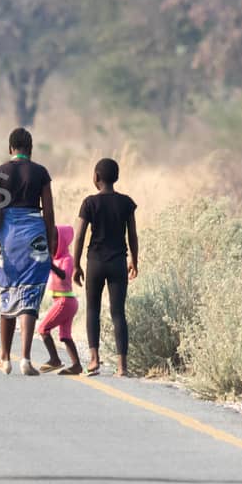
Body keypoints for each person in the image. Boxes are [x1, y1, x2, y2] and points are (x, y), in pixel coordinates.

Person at [0, 127, 56, 376]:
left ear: (10, 149)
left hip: (9, 238)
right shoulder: (41, 172)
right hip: (35, 238)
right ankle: (25, 358)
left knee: (8, 293)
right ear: (30, 149)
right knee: (30, 295)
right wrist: (51, 244)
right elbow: (50, 213)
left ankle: (4, 358)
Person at [71, 158, 139, 377]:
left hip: (96, 262)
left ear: (96, 178)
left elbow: (80, 235)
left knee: (93, 309)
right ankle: (122, 366)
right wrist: (134, 261)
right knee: (118, 313)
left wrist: (76, 264)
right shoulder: (126, 203)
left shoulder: (89, 203)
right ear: (116, 178)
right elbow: (133, 235)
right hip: (118, 261)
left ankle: (94, 359)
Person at [37, 224, 83, 375]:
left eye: (56, 240)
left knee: (43, 329)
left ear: (63, 242)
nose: (53, 244)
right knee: (65, 336)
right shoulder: (55, 259)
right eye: (51, 240)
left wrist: (51, 265)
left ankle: (55, 359)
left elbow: (64, 275)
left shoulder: (67, 259)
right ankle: (76, 365)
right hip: (62, 301)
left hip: (66, 301)